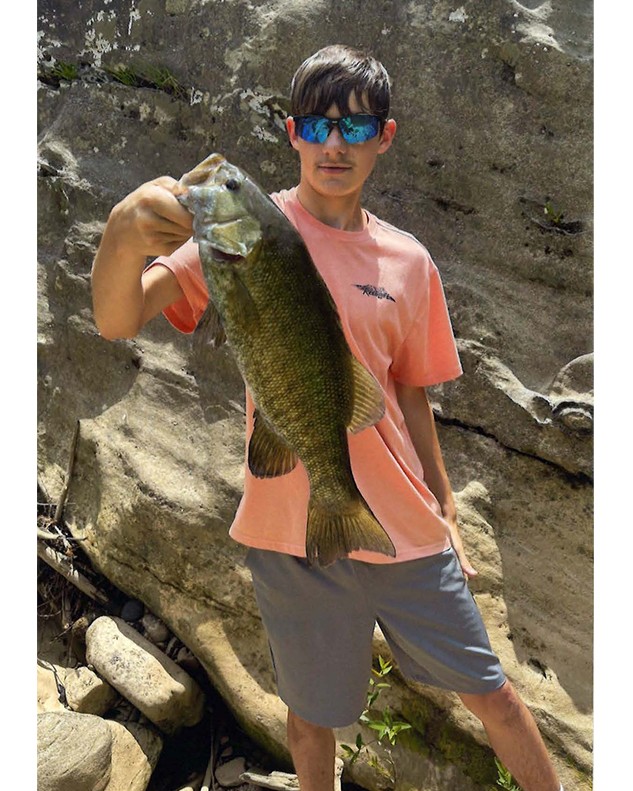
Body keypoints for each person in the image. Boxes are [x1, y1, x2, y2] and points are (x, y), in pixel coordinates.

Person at [91, 45, 564, 791]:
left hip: (403, 524)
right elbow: (119, 318)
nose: (334, 144)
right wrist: (120, 235)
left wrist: (442, 501)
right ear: (291, 134)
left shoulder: (409, 261)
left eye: (353, 126)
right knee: (310, 719)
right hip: (288, 533)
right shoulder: (243, 231)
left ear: (386, 136)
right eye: (316, 126)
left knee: (495, 696)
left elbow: (409, 393)